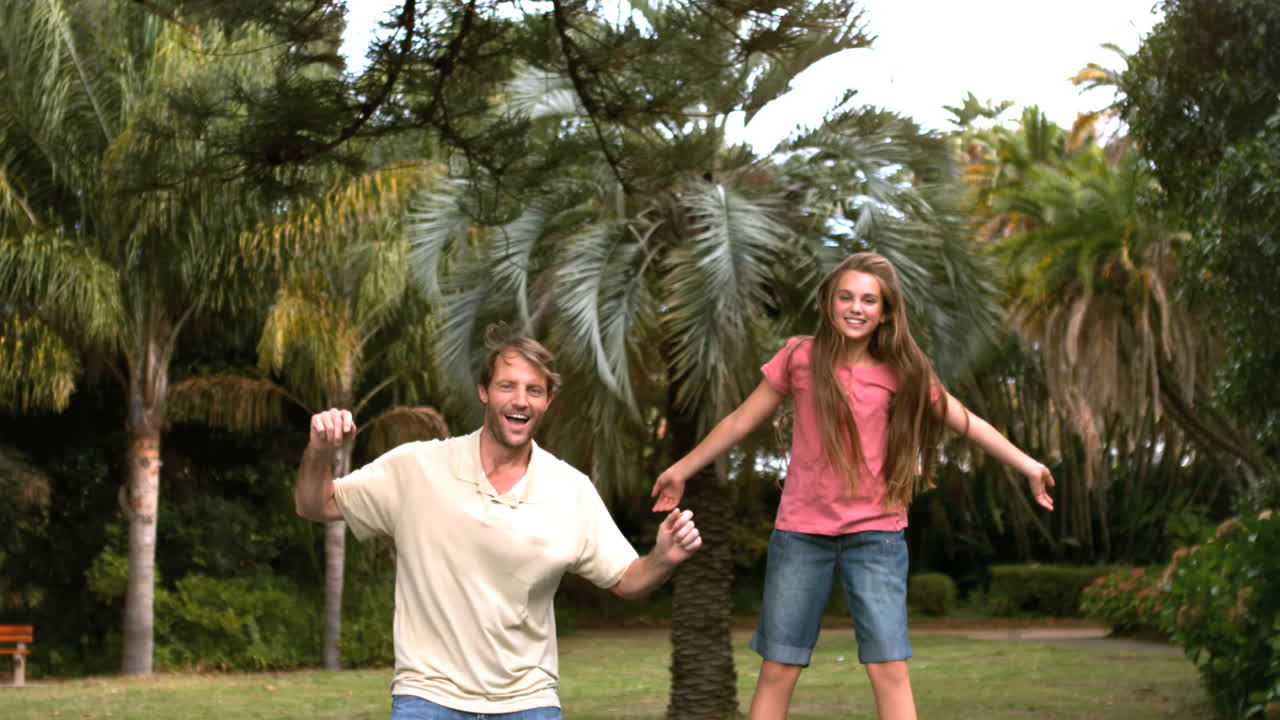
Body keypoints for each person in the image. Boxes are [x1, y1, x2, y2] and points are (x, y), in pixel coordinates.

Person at [649, 252, 1054, 720]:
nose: (856, 308)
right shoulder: (800, 357)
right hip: (800, 534)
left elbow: (964, 419)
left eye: (868, 300)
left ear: (885, 312)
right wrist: (681, 469)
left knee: (890, 669)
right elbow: (740, 420)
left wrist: (1029, 466)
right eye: (846, 297)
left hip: (877, 535)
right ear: (828, 302)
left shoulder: (903, 369)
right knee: (778, 668)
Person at [296, 326, 703, 720]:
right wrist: (319, 451)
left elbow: (627, 579)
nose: (521, 400)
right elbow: (316, 505)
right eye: (507, 386)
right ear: (484, 392)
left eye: (534, 390)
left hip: (529, 700)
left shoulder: (570, 490)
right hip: (427, 696)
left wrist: (662, 557)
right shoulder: (416, 468)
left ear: (548, 401)